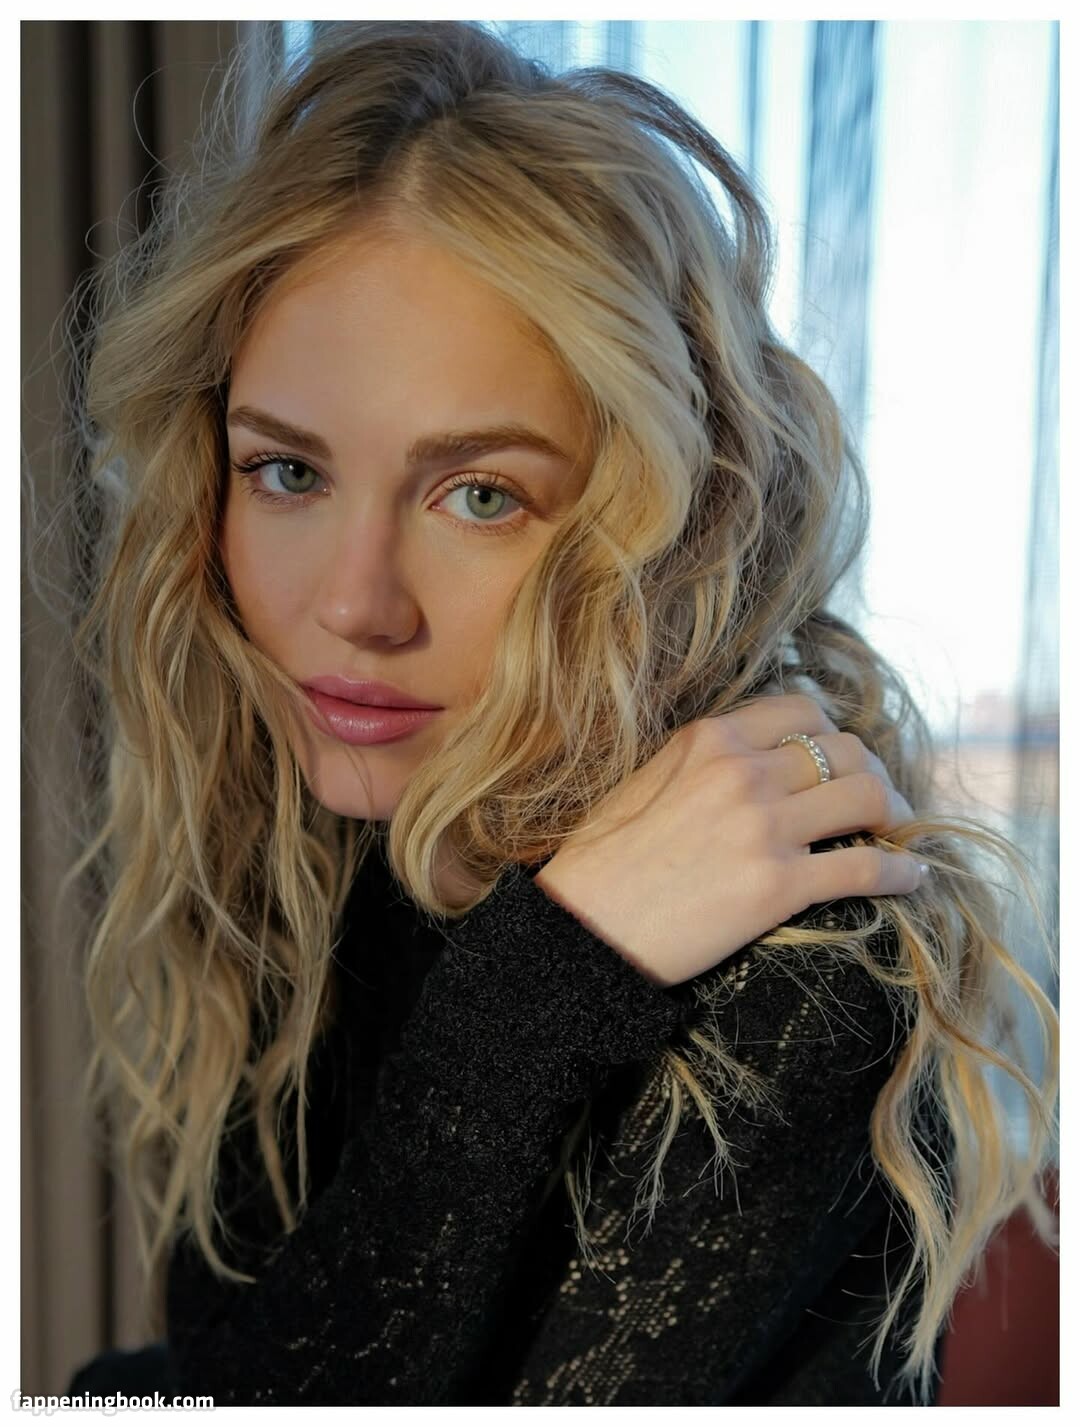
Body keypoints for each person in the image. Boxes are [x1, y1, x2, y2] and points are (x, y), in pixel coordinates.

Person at [50, 19, 1057, 1408]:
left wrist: (535, 991)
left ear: (667, 518)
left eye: (482, 495)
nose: (354, 604)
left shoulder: (801, 974)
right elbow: (236, 1364)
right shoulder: (316, 833)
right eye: (288, 473)